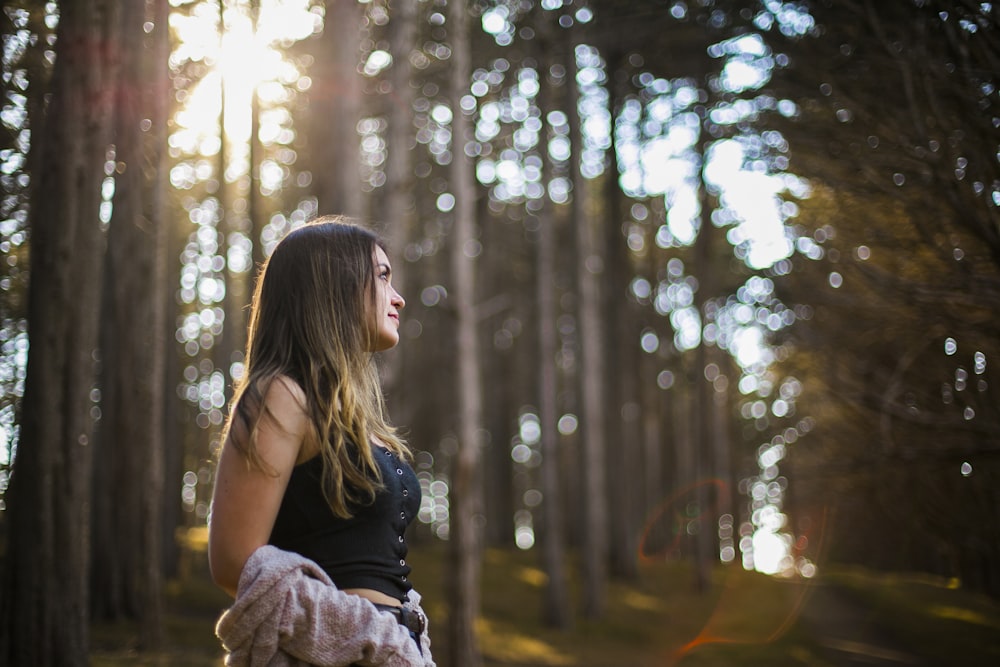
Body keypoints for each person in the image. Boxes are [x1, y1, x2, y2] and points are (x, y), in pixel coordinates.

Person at [209, 217, 433, 666]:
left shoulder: (349, 417)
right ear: (335, 284)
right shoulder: (281, 394)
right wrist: (375, 635)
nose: (399, 297)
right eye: (383, 276)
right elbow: (235, 562)